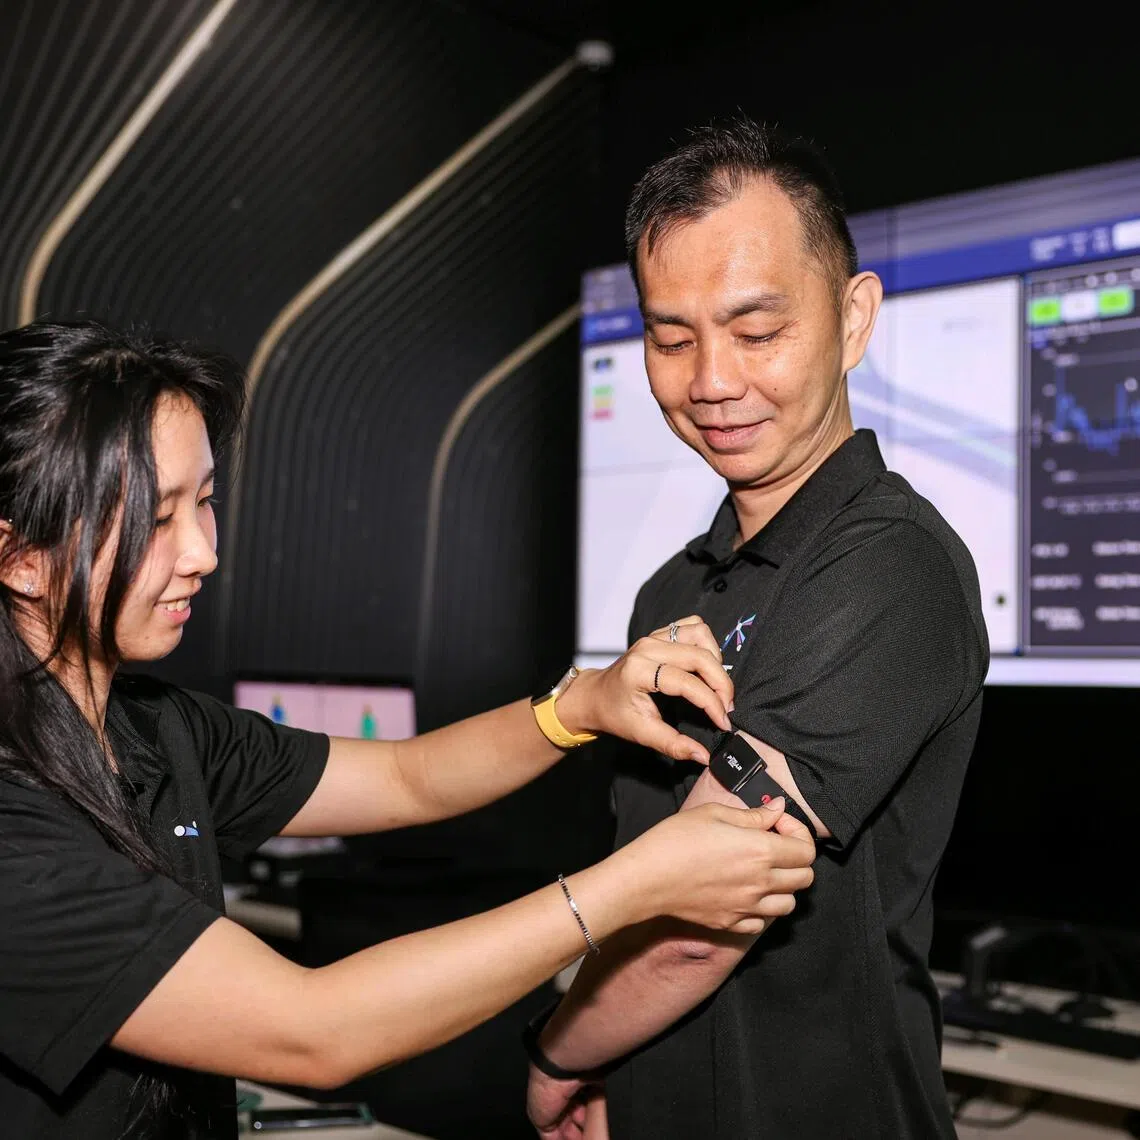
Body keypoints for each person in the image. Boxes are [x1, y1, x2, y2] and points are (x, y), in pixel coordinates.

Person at [0, 319, 818, 1139]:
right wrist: (634, 884)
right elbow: (314, 1031)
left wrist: (576, 708)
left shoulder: (153, 727)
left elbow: (408, 777)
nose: (204, 553)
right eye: (155, 517)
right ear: (20, 559)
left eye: (205, 502)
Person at [526, 119, 989, 1139]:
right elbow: (647, 884)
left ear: (854, 319)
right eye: (670, 337)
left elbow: (704, 916)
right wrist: (625, 1079)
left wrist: (558, 1051)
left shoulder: (892, 564)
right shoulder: (669, 593)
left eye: (757, 330)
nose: (712, 382)